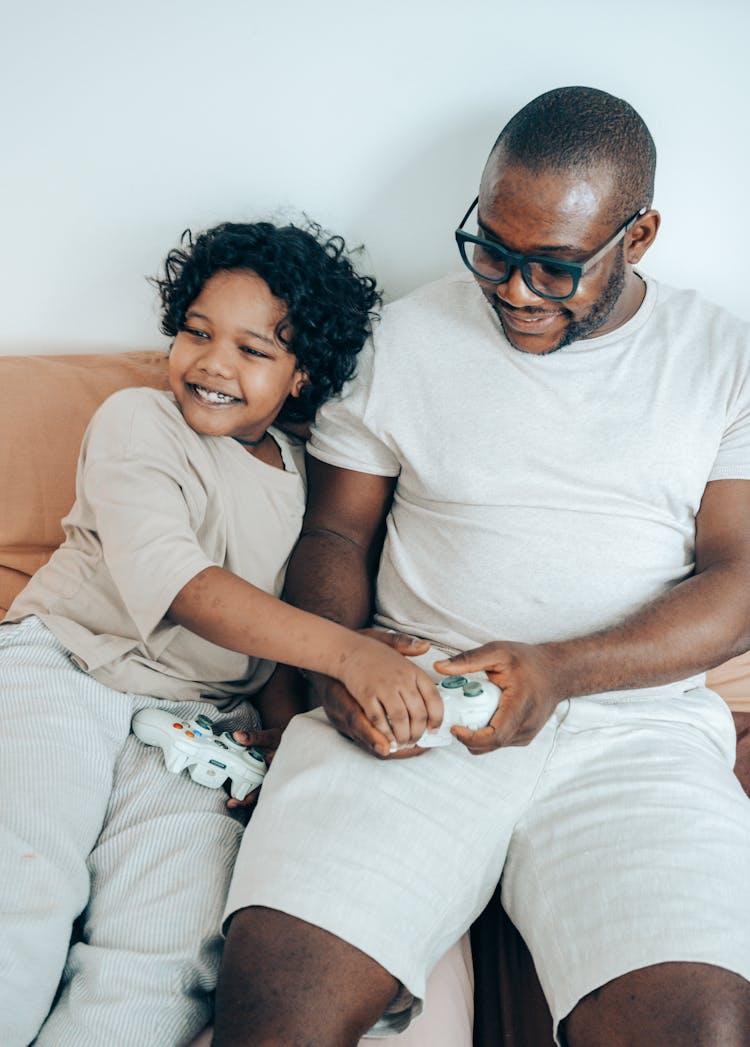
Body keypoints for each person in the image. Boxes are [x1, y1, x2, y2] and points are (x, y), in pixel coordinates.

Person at [213, 87, 750, 1047]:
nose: (511, 289)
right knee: (275, 1011)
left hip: (635, 731)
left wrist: (560, 671)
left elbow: (740, 579)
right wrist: (342, 660)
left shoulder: (722, 357)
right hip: (417, 701)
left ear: (641, 234)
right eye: (493, 250)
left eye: (554, 269)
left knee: (700, 1029)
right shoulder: (406, 336)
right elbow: (336, 535)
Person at [0, 218, 454, 1047]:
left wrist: (282, 728)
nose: (211, 363)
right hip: (64, 668)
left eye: (253, 349)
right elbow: (184, 586)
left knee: (166, 953)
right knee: (20, 883)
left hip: (198, 726)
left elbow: (272, 628)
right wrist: (350, 652)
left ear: (300, 374)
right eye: (197, 333)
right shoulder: (137, 419)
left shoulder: (302, 479)